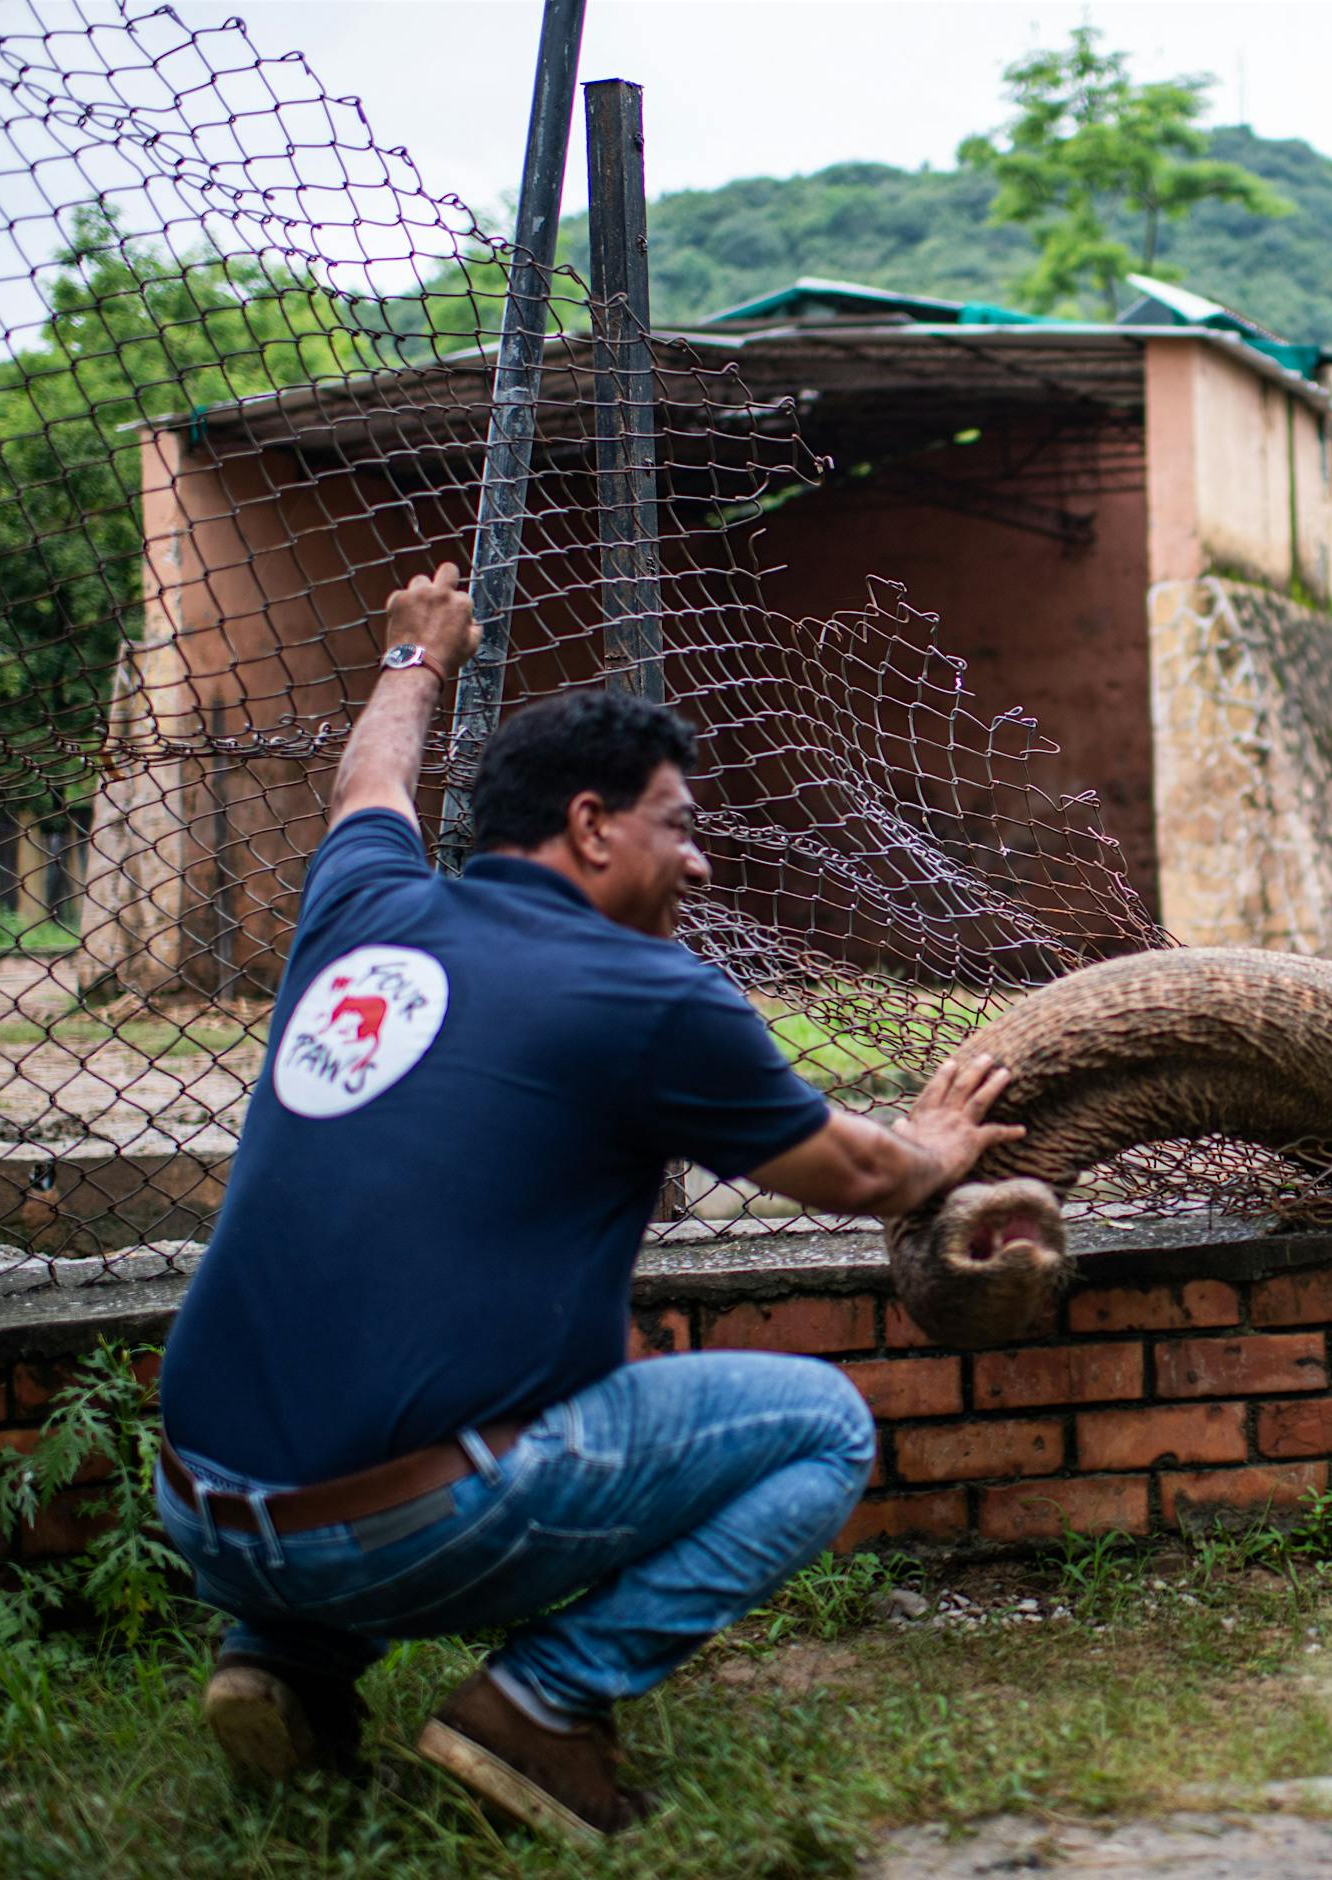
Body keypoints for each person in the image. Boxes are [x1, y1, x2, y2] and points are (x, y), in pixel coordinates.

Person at [155, 563, 1020, 1843]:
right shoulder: (647, 993)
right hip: (393, 1531)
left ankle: (280, 1659)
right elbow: (861, 1177)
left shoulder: (363, 908)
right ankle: (538, 1706)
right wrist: (939, 1141)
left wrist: (416, 656)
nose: (702, 859)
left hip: (199, 1508)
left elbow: (369, 784)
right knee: (820, 1426)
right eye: (677, 823)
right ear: (591, 824)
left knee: (447, 1363)